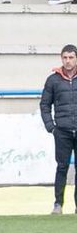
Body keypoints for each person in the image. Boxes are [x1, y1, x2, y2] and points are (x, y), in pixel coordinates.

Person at [42, 45, 77, 214]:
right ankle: (58, 204)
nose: (68, 61)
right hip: (62, 132)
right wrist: (51, 127)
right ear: (61, 58)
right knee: (62, 167)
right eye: (65, 57)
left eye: (71, 57)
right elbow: (44, 105)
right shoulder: (53, 80)